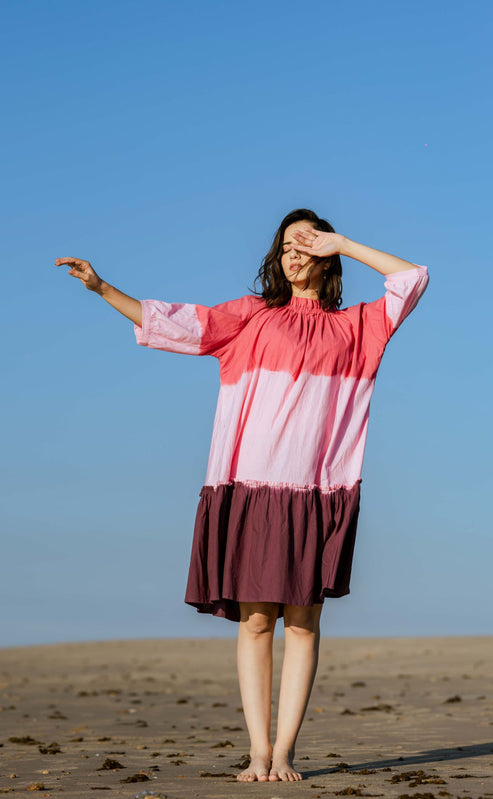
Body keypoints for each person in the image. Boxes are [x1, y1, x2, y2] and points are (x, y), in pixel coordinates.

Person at [55, 208, 429, 783]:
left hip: (318, 488)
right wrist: (103, 288)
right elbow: (175, 322)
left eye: (307, 244)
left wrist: (344, 242)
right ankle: (258, 752)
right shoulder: (251, 316)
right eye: (287, 246)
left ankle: (285, 754)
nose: (295, 254)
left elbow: (411, 278)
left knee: (302, 622)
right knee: (256, 621)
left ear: (326, 254)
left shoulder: (360, 327)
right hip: (251, 483)